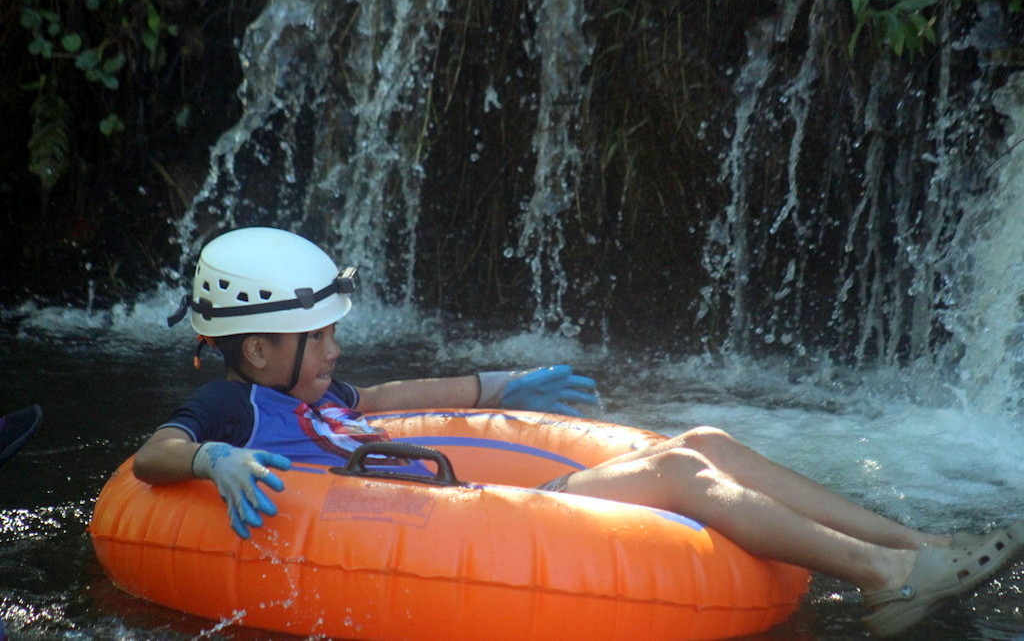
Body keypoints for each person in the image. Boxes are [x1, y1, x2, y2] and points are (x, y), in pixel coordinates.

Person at [136, 227, 1023, 639]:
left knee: (706, 435)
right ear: (258, 347)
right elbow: (154, 456)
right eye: (320, 335)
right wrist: (213, 459)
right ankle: (886, 577)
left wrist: (500, 383)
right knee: (678, 468)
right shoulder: (231, 409)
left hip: (476, 507)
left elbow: (396, 393)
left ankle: (922, 544)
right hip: (482, 523)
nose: (335, 346)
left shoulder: (315, 393)